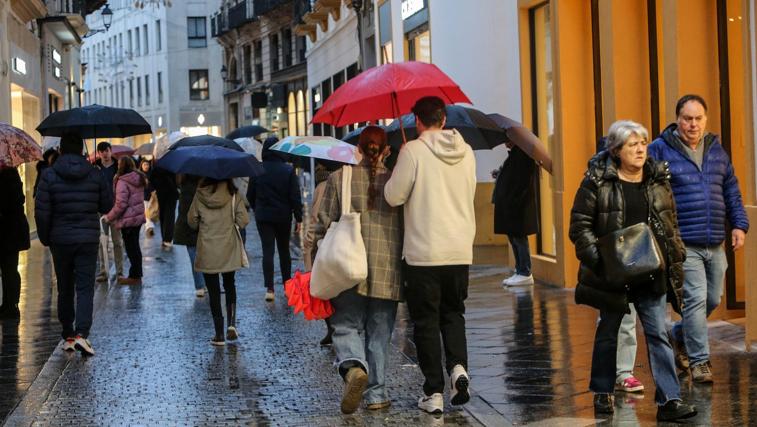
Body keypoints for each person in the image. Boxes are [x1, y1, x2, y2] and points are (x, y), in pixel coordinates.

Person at [569, 120, 696, 421]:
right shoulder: (597, 181)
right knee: (608, 333)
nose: (640, 150)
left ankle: (670, 400)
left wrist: (676, 250)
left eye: (642, 143)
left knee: (658, 335)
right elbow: (580, 226)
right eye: (632, 144)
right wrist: (601, 260)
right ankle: (603, 391)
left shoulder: (657, 179)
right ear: (616, 150)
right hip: (613, 273)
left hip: (651, 270)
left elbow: (670, 222)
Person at [384, 96, 476, 414]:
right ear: (444, 119)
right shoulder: (466, 152)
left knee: (425, 322)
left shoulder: (413, 151)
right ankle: (458, 369)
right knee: (454, 313)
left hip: (424, 252)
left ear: (418, 121)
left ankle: (433, 391)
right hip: (459, 249)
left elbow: (393, 196)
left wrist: (403, 162)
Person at [649, 94, 749, 383]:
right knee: (694, 300)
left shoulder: (717, 151)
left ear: (706, 119)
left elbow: (731, 189)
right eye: (687, 118)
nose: (693, 124)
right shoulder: (660, 150)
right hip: (683, 242)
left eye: (698, 118)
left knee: (713, 297)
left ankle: (679, 334)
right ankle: (699, 361)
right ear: (677, 119)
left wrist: (739, 225)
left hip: (714, 240)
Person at [313, 127, 402, 414]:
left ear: (359, 150)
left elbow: (321, 224)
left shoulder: (340, 179)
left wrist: (315, 258)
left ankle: (353, 367)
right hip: (387, 270)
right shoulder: (397, 183)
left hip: (347, 268)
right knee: (379, 332)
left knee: (345, 325)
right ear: (385, 149)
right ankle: (377, 394)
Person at [35, 132, 111, 356]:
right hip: (87, 238)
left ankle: (68, 334)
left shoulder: (49, 175)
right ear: (82, 150)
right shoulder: (94, 174)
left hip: (60, 239)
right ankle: (82, 334)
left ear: (61, 150)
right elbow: (107, 205)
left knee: (65, 286)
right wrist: (102, 178)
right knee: (85, 287)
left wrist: (45, 237)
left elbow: (41, 212)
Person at [188, 177, 249, 346]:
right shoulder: (233, 193)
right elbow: (244, 220)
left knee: (213, 291)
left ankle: (219, 334)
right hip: (228, 247)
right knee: (230, 284)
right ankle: (231, 324)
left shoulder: (200, 194)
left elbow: (191, 221)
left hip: (208, 249)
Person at [247, 136, 303, 302]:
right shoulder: (288, 170)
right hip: (283, 216)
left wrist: (257, 208)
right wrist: (298, 217)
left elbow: (250, 194)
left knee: (268, 251)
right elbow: (295, 196)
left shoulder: (258, 168)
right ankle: (287, 286)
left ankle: (270, 289)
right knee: (284, 250)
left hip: (263, 216)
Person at [491, 142, 538, 286]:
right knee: (514, 237)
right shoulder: (515, 155)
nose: (505, 142)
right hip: (512, 205)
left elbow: (521, 180)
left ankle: (525, 271)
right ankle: (520, 270)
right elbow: (512, 176)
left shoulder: (523, 155)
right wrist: (500, 174)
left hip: (517, 206)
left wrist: (514, 199)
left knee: (518, 237)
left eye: (507, 139)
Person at [303, 162, 336, 346]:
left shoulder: (323, 186)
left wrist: (308, 241)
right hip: (339, 240)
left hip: (323, 242)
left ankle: (333, 327)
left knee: (324, 288)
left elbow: (316, 217)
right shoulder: (340, 180)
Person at [104, 157, 147, 285]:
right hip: (137, 219)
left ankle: (135, 276)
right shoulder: (138, 178)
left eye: (118, 164)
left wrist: (109, 217)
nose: (117, 166)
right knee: (135, 247)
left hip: (128, 220)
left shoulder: (122, 181)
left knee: (131, 248)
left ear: (122, 166)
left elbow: (121, 204)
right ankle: (136, 275)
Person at [0, 166, 31, 319]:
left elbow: (13, 201)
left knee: (9, 270)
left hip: (9, 232)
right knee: (9, 270)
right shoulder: (12, 173)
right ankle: (8, 304)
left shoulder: (9, 175)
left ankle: (11, 305)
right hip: (11, 231)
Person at [94, 142, 125, 282]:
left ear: (110, 151)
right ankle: (103, 271)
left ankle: (119, 271)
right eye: (102, 151)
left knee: (117, 242)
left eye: (106, 151)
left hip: (116, 210)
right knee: (102, 242)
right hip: (100, 210)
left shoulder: (118, 167)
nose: (105, 154)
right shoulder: (95, 167)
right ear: (98, 153)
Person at [174, 174, 206, 297]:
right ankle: (206, 282)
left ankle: (199, 286)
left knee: (193, 253)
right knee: (205, 253)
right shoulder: (203, 185)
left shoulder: (183, 183)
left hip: (187, 224)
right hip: (203, 222)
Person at [151, 164, 179, 249]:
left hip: (161, 193)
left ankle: (165, 237)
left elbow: (151, 179)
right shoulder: (173, 164)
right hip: (171, 193)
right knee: (169, 216)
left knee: (163, 215)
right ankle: (167, 239)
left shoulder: (158, 165)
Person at [139, 159, 156, 236]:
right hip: (144, 197)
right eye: (144, 165)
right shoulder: (140, 175)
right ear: (141, 166)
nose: (146, 166)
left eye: (147, 164)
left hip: (152, 196)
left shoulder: (152, 174)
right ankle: (149, 227)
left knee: (151, 212)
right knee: (147, 212)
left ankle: (148, 226)